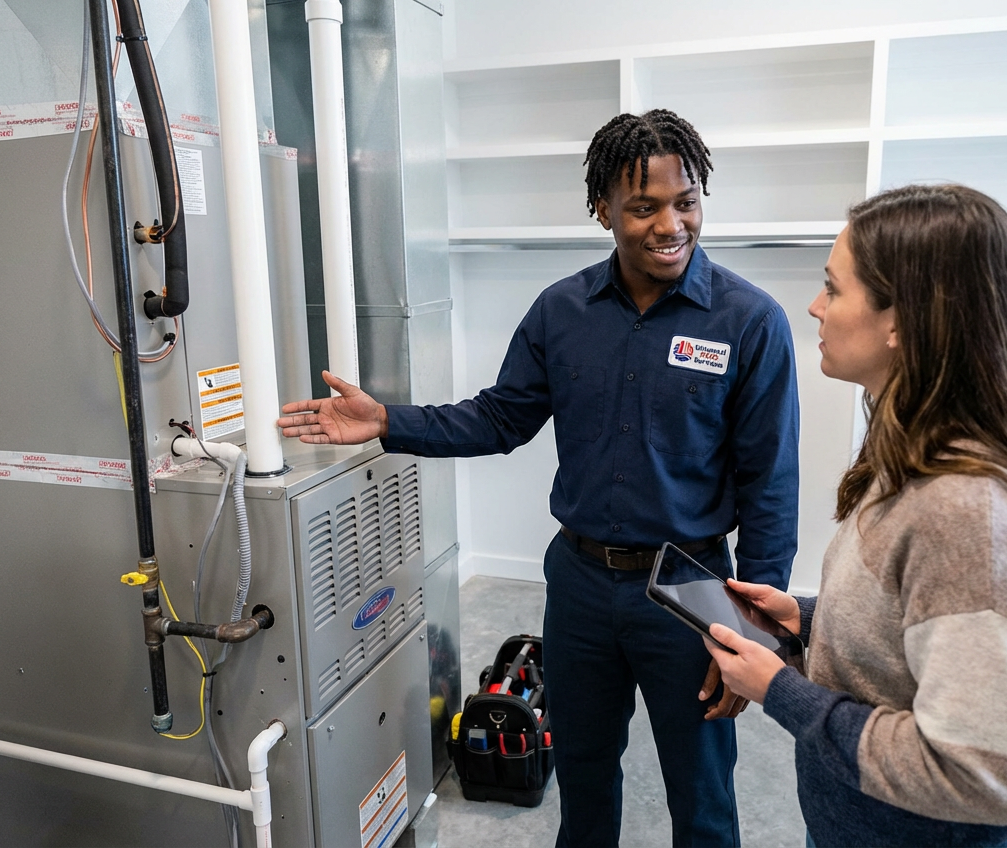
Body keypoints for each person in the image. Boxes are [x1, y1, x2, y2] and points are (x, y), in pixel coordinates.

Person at [278, 109, 800, 847]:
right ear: (603, 210)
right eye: (644, 207)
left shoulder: (750, 322)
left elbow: (769, 482)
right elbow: (498, 419)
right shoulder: (562, 311)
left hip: (690, 591)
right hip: (582, 587)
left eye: (685, 202)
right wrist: (387, 421)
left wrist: (752, 627)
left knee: (702, 789)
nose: (670, 224)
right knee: (583, 773)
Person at [703, 184, 1007, 848]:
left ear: (901, 321)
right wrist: (810, 620)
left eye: (833, 289)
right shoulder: (915, 459)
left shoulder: (970, 517)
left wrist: (781, 689)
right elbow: (915, 629)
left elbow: (981, 777)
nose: (814, 307)